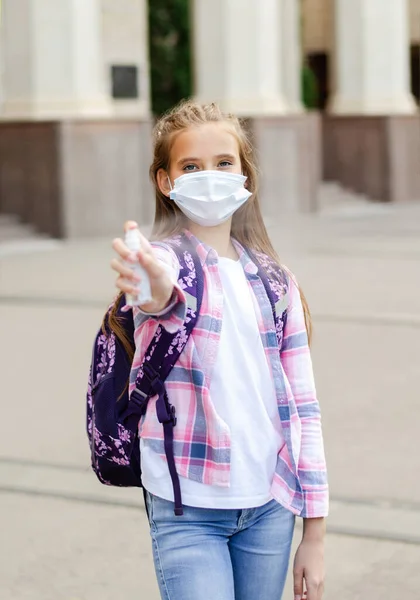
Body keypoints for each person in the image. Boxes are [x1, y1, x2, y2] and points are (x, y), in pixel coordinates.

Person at [109, 100, 328, 600]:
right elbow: (163, 305)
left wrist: (314, 533)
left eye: (223, 163)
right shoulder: (162, 263)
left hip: (270, 507)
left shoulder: (276, 283)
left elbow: (304, 409)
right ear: (165, 181)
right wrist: (154, 289)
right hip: (188, 508)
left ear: (244, 173)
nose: (209, 175)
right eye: (191, 166)